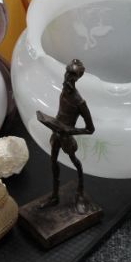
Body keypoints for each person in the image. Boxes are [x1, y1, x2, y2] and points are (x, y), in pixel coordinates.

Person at [38, 58, 95, 213]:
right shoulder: (64, 91)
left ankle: (80, 193)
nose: (68, 77)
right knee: (53, 161)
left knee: (75, 162)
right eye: (67, 72)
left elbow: (90, 129)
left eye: (73, 75)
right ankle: (55, 196)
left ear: (78, 78)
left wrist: (69, 131)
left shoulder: (79, 102)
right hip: (56, 131)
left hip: (66, 135)